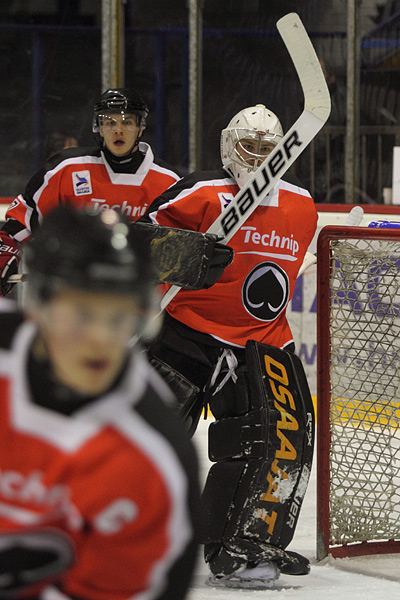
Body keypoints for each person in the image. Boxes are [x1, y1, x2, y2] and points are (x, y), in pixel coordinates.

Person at [140, 104, 317, 588]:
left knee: (282, 437)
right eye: (249, 147)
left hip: (260, 347)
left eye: (268, 149)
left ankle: (242, 543)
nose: (259, 157)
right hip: (185, 333)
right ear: (228, 146)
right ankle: (131, 535)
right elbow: (139, 243)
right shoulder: (202, 190)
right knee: (146, 439)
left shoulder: (302, 203)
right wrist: (186, 253)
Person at [0, 205, 200, 600]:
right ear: (39, 305)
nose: (100, 340)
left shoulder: (154, 459)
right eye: (82, 313)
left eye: (118, 317)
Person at [0, 87, 181, 296]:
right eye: (109, 122)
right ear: (99, 128)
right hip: (75, 302)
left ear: (140, 128)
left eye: (127, 122)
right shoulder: (66, 169)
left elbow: (182, 249)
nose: (118, 130)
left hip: (140, 307)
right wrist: (6, 250)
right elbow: (21, 223)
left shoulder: (169, 182)